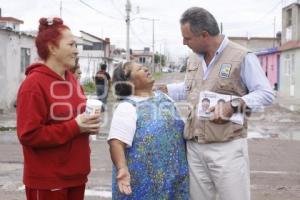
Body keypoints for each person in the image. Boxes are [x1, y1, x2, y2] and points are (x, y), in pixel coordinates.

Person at [162, 7, 274, 200]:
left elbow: (266, 93)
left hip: (227, 147)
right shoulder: (193, 59)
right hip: (195, 147)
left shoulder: (242, 56)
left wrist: (233, 106)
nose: (184, 43)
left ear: (204, 35)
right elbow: (191, 89)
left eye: (187, 38)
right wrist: (166, 90)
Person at [16, 17, 101, 200]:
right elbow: (28, 134)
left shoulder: (71, 80)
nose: (76, 50)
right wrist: (75, 127)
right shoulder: (33, 85)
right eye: (71, 45)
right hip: (48, 180)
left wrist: (89, 124)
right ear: (52, 48)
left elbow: (76, 120)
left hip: (76, 176)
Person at [108, 62, 189, 199]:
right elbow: (116, 142)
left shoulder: (165, 98)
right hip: (142, 185)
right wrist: (122, 168)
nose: (145, 68)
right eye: (139, 69)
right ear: (129, 82)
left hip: (173, 181)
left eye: (143, 66)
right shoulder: (127, 107)